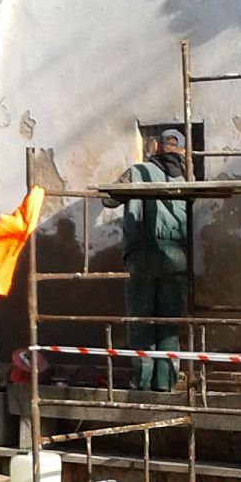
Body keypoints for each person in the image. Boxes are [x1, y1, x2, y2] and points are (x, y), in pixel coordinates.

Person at [103, 129, 189, 392]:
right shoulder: (188, 179)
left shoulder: (138, 171)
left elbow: (108, 199)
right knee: (168, 323)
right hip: (176, 257)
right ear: (183, 152)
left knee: (141, 321)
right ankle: (165, 382)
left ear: (155, 146)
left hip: (141, 254)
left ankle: (142, 381)